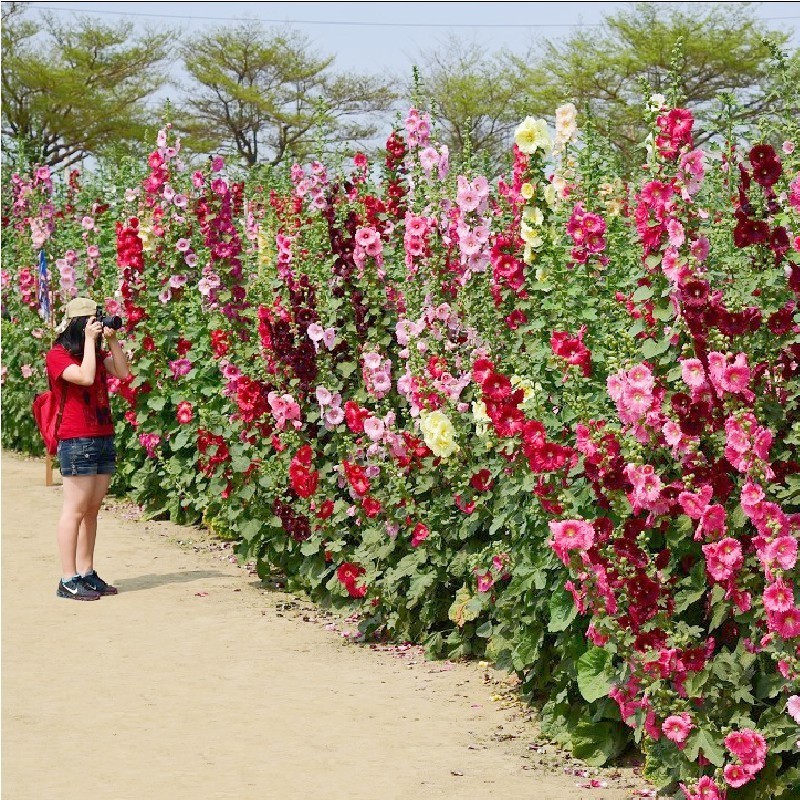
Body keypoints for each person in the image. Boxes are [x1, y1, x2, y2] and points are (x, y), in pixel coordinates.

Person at [45, 297, 130, 601]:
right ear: (78, 325)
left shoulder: (93, 350)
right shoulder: (57, 355)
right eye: (91, 321)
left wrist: (113, 339)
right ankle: (67, 579)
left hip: (102, 434)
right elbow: (85, 376)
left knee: (92, 509)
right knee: (75, 509)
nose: (97, 324)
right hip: (76, 438)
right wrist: (92, 344)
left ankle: (86, 572)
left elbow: (122, 372)